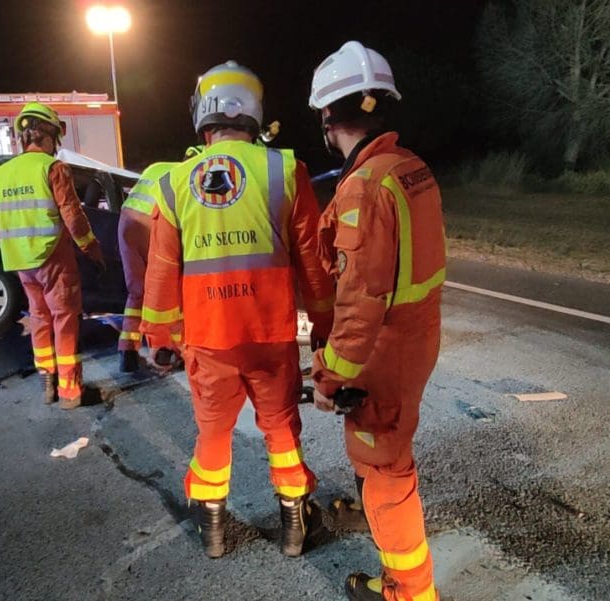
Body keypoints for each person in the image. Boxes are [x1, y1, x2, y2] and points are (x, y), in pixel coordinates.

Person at [140, 61, 334, 558]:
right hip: (270, 334)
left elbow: (161, 271)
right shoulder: (285, 170)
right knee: (281, 426)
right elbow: (313, 263)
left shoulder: (175, 181)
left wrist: (159, 339)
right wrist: (325, 325)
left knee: (213, 433)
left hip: (209, 339)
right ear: (254, 113)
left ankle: (213, 532)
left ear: (202, 113)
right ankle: (294, 529)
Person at [309, 41, 446, 601]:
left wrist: (328, 377)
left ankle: (407, 591)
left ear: (328, 115)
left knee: (388, 469)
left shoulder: (364, 187)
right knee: (380, 453)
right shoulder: (410, 168)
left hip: (383, 353)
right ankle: (371, 515)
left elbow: (360, 302)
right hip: (415, 339)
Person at [0, 102, 104, 409]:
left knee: (39, 317)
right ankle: (70, 391)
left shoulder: (2, 173)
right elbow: (73, 217)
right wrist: (91, 249)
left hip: (22, 263)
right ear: (49, 135)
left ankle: (47, 379)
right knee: (64, 319)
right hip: (54, 258)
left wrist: (16, 250)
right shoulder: (53, 168)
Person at [116, 146, 203, 373]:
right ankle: (166, 350)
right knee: (167, 288)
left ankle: (127, 351)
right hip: (152, 224)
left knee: (137, 291)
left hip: (126, 222)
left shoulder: (156, 167)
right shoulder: (187, 176)